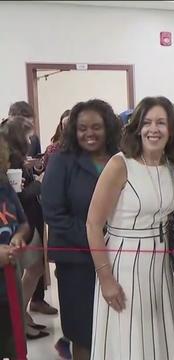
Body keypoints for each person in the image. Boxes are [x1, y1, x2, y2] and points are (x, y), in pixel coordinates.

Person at [86, 96, 174, 359]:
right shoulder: (120, 164)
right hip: (124, 264)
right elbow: (94, 224)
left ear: (171, 129)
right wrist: (106, 279)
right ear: (137, 127)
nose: (154, 129)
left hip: (159, 265)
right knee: (130, 340)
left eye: (161, 122)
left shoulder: (171, 166)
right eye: (148, 122)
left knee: (158, 336)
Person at [41, 99, 122, 360]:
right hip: (76, 262)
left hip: (120, 258)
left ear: (108, 127)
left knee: (117, 330)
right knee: (84, 333)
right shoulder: (61, 160)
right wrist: (95, 238)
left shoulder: (120, 158)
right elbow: (53, 213)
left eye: (96, 127)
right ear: (73, 130)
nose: (89, 133)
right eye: (82, 128)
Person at [0, 117, 51, 340]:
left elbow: (17, 198)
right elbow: (19, 197)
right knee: (29, 269)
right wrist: (40, 182)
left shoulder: (16, 160)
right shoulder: (9, 162)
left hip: (25, 223)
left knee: (33, 268)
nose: (32, 139)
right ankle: (19, 316)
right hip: (21, 222)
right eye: (29, 135)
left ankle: (21, 316)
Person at [0, 134, 29, 360]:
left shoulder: (5, 188)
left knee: (15, 344)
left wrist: (18, 237)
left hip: (10, 283)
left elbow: (23, 223)